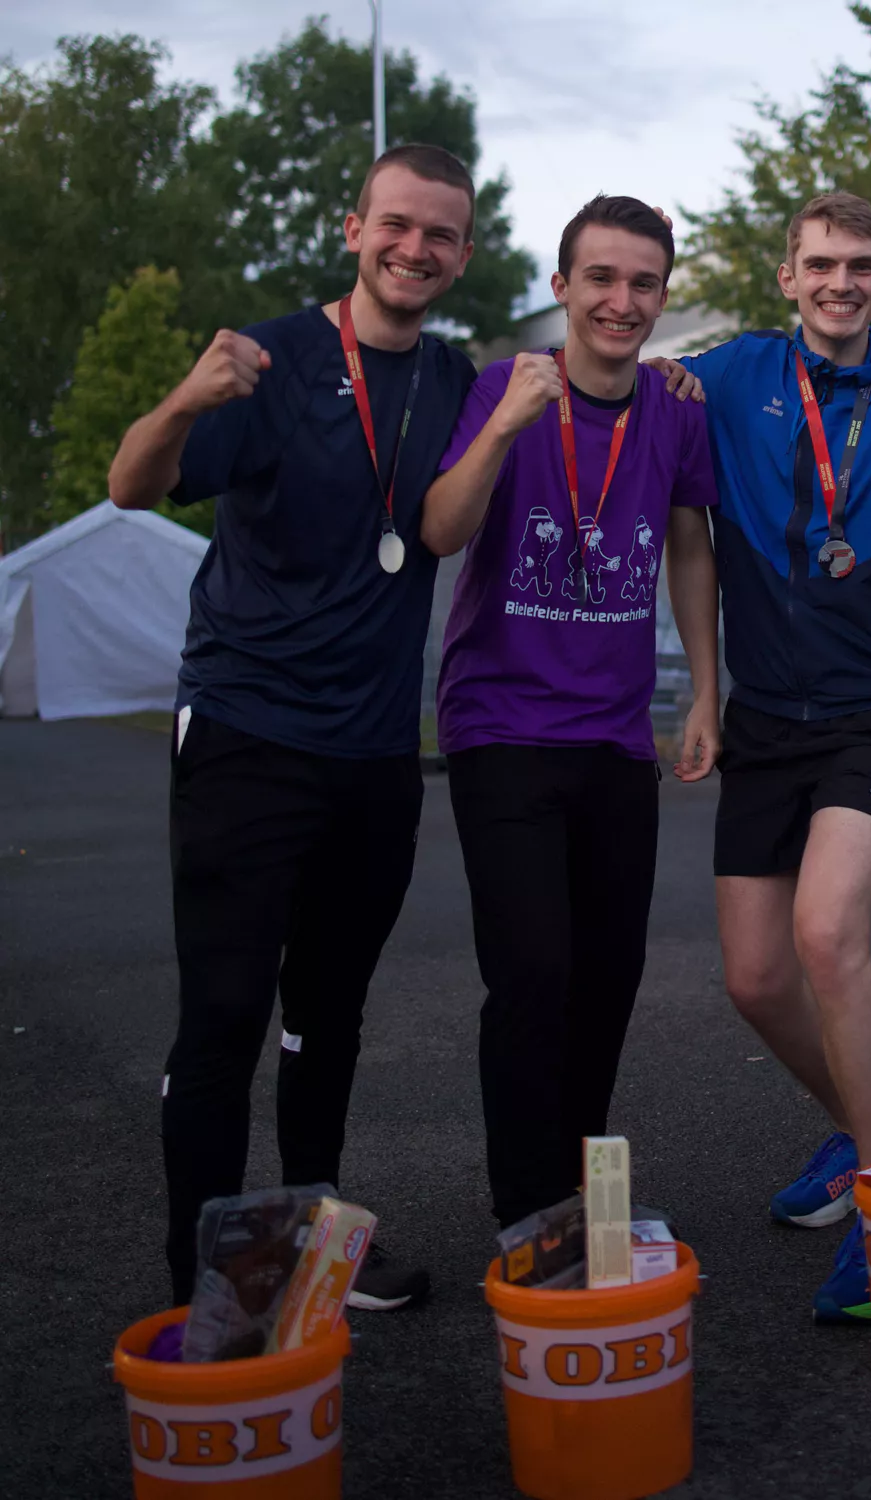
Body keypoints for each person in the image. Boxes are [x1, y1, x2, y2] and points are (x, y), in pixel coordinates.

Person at [108, 143, 481, 1310]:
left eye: (439, 234)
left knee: (329, 1015)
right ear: (354, 226)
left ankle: (316, 1251)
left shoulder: (457, 377)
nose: (414, 249)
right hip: (246, 734)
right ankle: (205, 1296)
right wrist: (183, 397)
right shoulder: (265, 357)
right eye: (398, 225)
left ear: (462, 254)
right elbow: (129, 484)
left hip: (373, 753)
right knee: (222, 1017)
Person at [674, 192, 871, 1322]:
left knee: (825, 934)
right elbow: (665, 480)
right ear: (785, 275)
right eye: (821, 264)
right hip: (764, 714)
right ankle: (865, 1130)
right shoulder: (727, 376)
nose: (840, 283)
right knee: (756, 980)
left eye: (862, 265)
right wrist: (706, 693)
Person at [420, 195, 720, 1230]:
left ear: (663, 296)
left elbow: (690, 546)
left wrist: (706, 693)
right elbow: (441, 531)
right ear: (561, 287)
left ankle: (580, 1202)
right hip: (501, 726)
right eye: (601, 278)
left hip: (612, 731)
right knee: (534, 970)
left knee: (608, 977)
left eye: (643, 283)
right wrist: (504, 428)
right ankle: (528, 1211)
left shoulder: (676, 405)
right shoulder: (502, 385)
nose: (621, 300)